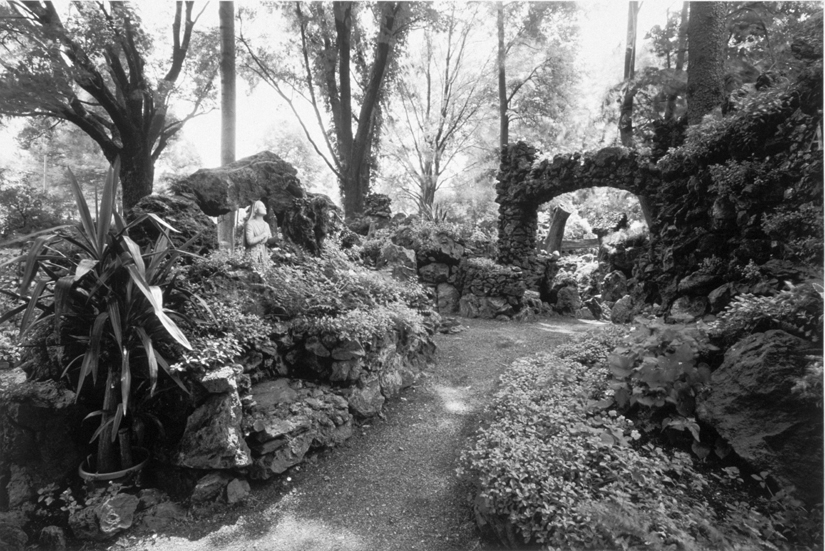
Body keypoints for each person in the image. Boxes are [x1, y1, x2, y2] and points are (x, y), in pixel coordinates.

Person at [244, 200, 275, 268]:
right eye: (262, 206)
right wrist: (263, 235)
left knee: (264, 270)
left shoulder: (266, 225)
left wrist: (277, 238)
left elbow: (269, 240)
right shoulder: (250, 224)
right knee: (253, 270)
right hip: (253, 253)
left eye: (265, 206)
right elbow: (250, 241)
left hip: (264, 253)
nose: (265, 208)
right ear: (255, 209)